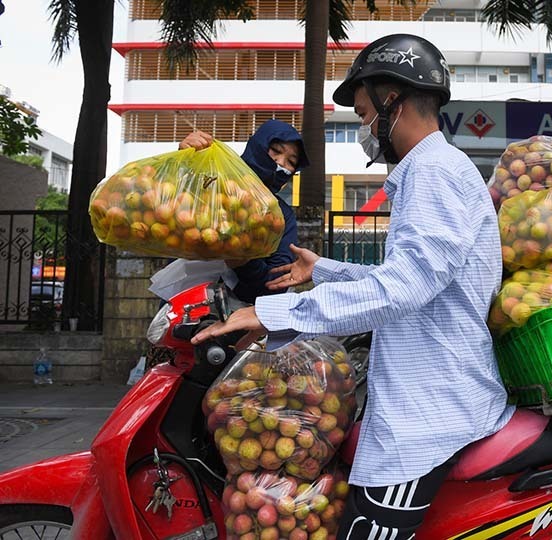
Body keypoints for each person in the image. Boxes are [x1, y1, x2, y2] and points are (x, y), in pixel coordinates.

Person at [192, 34, 514, 538]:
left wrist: (274, 314)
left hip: (429, 412)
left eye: (365, 114)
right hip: (422, 392)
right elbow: (414, 283)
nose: (366, 128)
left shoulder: (432, 172)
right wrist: (322, 270)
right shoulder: (430, 171)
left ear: (393, 101)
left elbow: (404, 288)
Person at [178, 120, 310, 303]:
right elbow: (171, 204)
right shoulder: (213, 183)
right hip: (181, 307)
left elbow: (276, 282)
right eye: (276, 151)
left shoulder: (281, 217)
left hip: (239, 320)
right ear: (258, 146)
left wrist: (244, 263)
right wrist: (186, 160)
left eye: (291, 162)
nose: (280, 163)